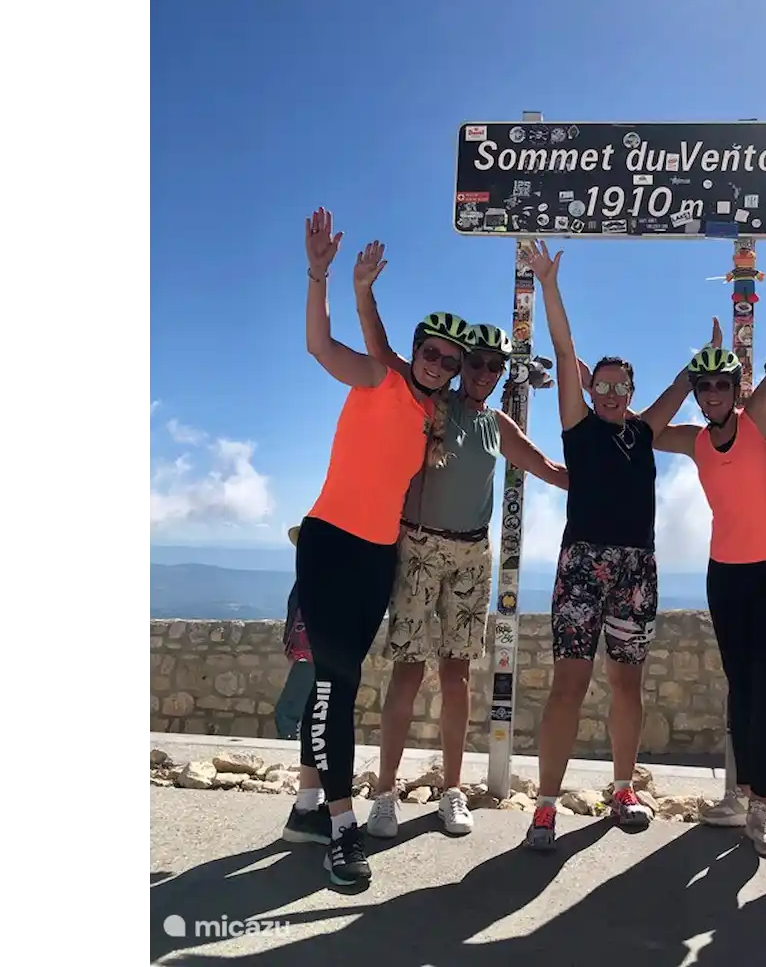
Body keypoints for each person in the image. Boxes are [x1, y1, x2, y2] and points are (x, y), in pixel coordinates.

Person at [346, 239, 570, 840]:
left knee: (457, 677)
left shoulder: (498, 424)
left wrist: (612, 478)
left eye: (495, 367)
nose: (485, 374)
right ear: (460, 363)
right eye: (476, 363)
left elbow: (550, 469)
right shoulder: (429, 402)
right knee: (407, 674)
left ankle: (451, 791)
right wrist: (364, 292)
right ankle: (385, 793)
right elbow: (383, 352)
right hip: (419, 548)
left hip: (473, 554)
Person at [280, 205, 474, 889]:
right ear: (414, 352)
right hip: (330, 545)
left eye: (449, 361)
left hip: (377, 557)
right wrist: (322, 277)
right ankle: (342, 829)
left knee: (336, 683)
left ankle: (307, 808)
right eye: (431, 352)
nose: (438, 364)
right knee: (338, 682)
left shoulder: (431, 419)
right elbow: (319, 345)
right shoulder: (377, 379)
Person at [651, 244, 766, 857]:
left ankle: (761, 808)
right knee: (740, 686)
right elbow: (645, 430)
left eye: (720, 385)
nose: (711, 395)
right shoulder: (695, 440)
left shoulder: (756, 421)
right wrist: (686, 374)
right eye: (703, 388)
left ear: (737, 389)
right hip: (727, 575)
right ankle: (739, 795)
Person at [520, 238, 700, 851]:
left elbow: (681, 386)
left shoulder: (644, 433)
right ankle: (546, 806)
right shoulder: (578, 427)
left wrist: (702, 360)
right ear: (590, 388)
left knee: (628, 685)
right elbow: (563, 347)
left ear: (630, 391)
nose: (612, 395)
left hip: (637, 569)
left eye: (622, 387)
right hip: (583, 565)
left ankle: (623, 789)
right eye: (602, 385)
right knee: (569, 684)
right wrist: (549, 285)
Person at [274, 524, 315, 740]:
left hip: (310, 653)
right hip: (312, 652)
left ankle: (289, 749)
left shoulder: (317, 578)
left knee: (287, 711)